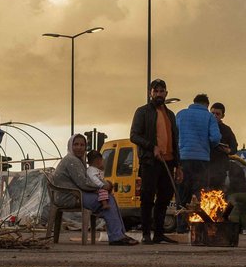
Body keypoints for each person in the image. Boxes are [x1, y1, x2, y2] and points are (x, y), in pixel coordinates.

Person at [50, 134, 138, 246]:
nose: (79, 147)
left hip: (76, 194)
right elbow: (83, 183)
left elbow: (86, 181)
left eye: (82, 145)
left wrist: (102, 187)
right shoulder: (71, 160)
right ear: (70, 145)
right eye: (76, 144)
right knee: (108, 199)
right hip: (69, 197)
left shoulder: (78, 160)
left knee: (108, 198)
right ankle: (117, 236)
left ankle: (119, 234)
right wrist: (103, 186)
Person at [129, 79, 181, 244]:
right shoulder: (142, 112)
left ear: (166, 93)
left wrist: (179, 165)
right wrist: (152, 147)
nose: (159, 94)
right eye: (155, 91)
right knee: (147, 197)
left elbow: (175, 140)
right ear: (150, 93)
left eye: (162, 91)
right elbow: (134, 135)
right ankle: (146, 234)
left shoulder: (170, 115)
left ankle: (159, 233)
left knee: (165, 198)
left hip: (169, 162)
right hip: (150, 162)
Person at [174, 93, 222, 209]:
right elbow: (216, 138)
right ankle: (199, 224)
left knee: (182, 193)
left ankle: (181, 224)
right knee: (201, 194)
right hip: (202, 161)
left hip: (183, 159)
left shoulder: (180, 114)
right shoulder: (209, 117)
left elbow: (174, 135)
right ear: (206, 105)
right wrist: (208, 144)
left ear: (194, 102)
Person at [209, 102, 239, 191]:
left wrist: (228, 151)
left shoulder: (226, 130)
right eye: (212, 113)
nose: (214, 116)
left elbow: (234, 147)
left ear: (223, 116)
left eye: (217, 114)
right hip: (205, 168)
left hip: (220, 169)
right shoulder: (205, 127)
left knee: (218, 196)